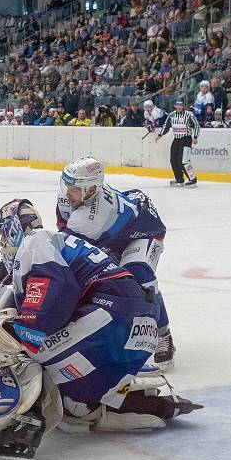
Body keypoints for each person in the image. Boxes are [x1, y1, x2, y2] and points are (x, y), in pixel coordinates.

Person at [0, 199, 202, 460]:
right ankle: (135, 404)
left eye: (1, 235)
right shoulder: (52, 244)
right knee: (70, 404)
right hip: (136, 332)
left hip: (111, 320)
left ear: (13, 229)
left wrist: (0, 333)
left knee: (19, 348)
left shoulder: (35, 243)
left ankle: (23, 427)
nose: (2, 243)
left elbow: (52, 298)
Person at [55, 157, 175, 371]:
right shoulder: (73, 197)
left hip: (143, 232)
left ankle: (164, 334)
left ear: (90, 190)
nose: (66, 193)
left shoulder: (91, 218)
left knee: (141, 278)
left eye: (72, 189)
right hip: (113, 234)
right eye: (66, 185)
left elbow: (65, 249)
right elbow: (63, 229)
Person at [156, 98, 199, 187]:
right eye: (177, 105)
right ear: (175, 106)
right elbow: (166, 126)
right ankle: (179, 179)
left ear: (183, 106)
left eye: (181, 105)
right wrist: (160, 135)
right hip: (176, 139)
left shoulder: (189, 115)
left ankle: (192, 179)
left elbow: (196, 126)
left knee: (183, 160)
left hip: (186, 138)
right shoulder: (171, 115)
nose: (179, 107)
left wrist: (195, 137)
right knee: (173, 160)